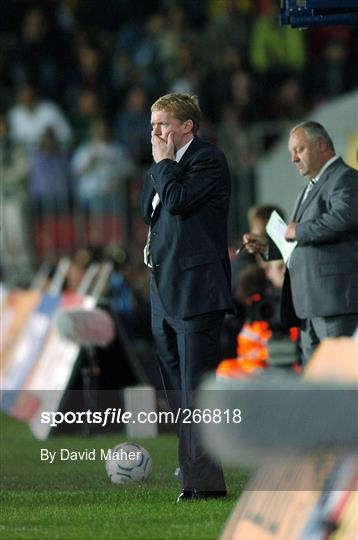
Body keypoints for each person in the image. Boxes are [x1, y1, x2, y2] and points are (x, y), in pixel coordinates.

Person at [140, 93, 234, 501]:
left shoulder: (207, 160)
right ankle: (193, 473)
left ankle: (206, 484)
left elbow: (176, 203)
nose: (155, 133)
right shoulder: (164, 166)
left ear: (187, 127)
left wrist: (164, 164)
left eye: (162, 124)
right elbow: (150, 211)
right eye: (152, 125)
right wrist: (162, 167)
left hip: (197, 293)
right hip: (164, 291)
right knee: (178, 392)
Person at [243, 121, 358, 364]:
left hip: (335, 304)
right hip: (308, 306)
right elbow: (296, 242)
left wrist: (299, 229)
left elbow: (343, 217)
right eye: (291, 153)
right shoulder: (309, 188)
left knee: (340, 381)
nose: (294, 159)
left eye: (299, 150)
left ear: (321, 145)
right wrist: (268, 247)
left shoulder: (345, 178)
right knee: (316, 387)